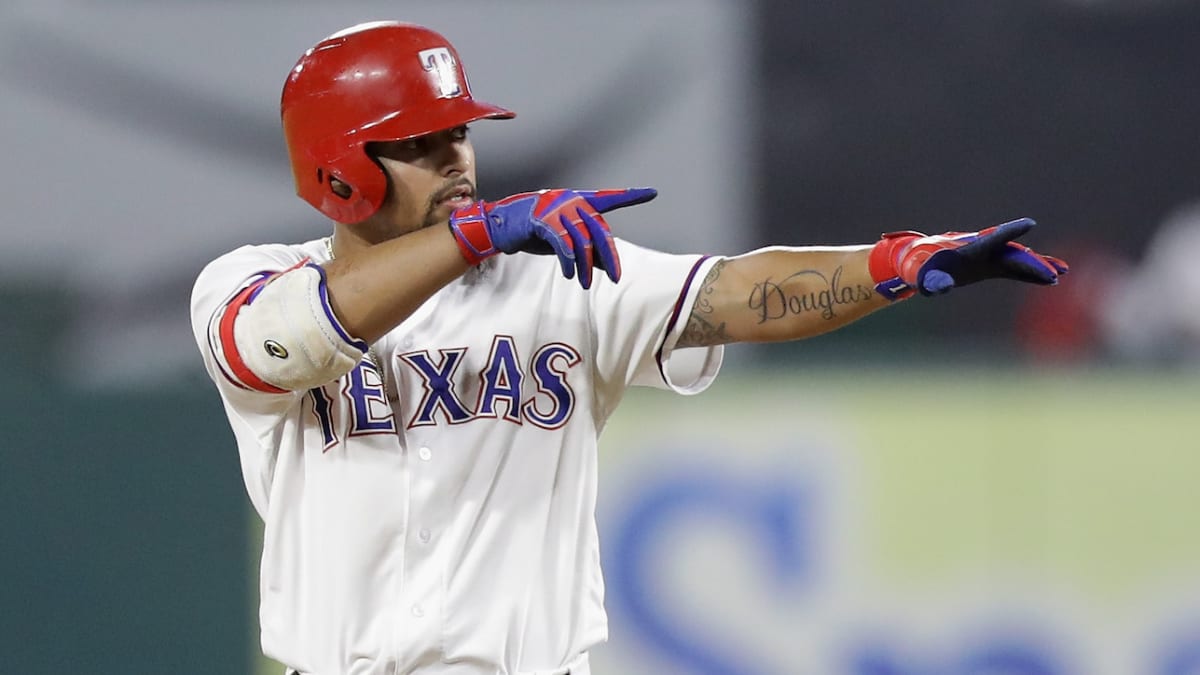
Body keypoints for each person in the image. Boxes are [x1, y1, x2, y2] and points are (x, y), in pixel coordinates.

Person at [189, 20, 1068, 675]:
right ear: (339, 170)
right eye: (419, 145)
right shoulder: (251, 281)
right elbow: (278, 345)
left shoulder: (554, 280)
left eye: (458, 133)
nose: (456, 158)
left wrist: (892, 264)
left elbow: (737, 294)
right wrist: (481, 235)